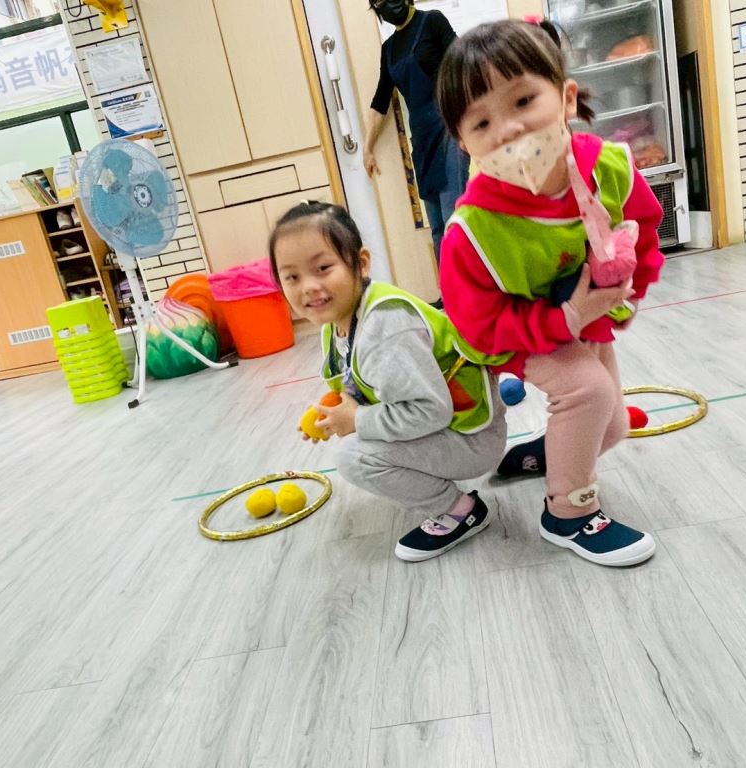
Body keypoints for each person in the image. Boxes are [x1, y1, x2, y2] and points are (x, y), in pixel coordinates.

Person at [435, 19, 665, 567]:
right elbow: (477, 325)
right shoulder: (472, 230)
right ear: (464, 142)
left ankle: (547, 451)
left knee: (611, 425)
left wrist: (625, 296)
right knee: (588, 391)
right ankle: (567, 513)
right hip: (519, 330)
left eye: (523, 101)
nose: (509, 129)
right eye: (482, 122)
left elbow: (643, 230)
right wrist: (562, 320)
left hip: (588, 312)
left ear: (564, 97)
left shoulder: (609, 168)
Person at [269, 201, 508, 562]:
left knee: (353, 457)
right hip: (452, 430)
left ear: (361, 263)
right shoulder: (337, 324)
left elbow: (431, 411)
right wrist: (334, 413)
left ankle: (461, 511)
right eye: (292, 277)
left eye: (323, 268)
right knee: (358, 443)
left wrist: (356, 420)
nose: (309, 286)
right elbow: (360, 385)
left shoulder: (384, 327)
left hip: (472, 439)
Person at [363, 0, 468, 263]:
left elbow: (463, 65)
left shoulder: (432, 21)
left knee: (453, 221)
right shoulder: (389, 50)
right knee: (437, 229)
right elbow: (380, 101)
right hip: (422, 144)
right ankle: (448, 286)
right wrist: (367, 148)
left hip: (449, 133)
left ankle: (470, 285)